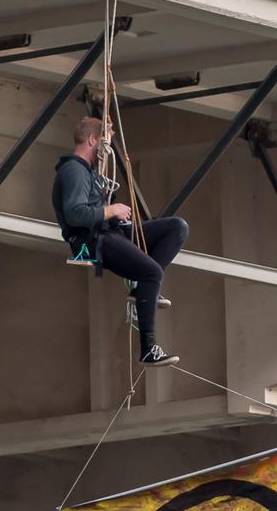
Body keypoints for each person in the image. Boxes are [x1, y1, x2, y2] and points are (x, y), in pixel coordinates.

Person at [52, 117, 188, 367]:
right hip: (94, 240)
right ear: (92, 140)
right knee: (152, 272)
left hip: (109, 232)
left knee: (176, 228)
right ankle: (148, 348)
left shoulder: (86, 173)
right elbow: (75, 214)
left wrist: (107, 207)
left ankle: (143, 289)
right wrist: (110, 210)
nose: (106, 151)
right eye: (104, 143)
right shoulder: (73, 171)